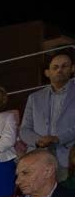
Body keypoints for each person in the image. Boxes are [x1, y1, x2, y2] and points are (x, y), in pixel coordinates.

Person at [20, 50, 75, 182]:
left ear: (72, 69)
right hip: (39, 156)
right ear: (47, 72)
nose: (59, 70)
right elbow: (24, 129)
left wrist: (58, 139)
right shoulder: (34, 98)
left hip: (69, 154)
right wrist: (39, 141)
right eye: (55, 67)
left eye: (64, 66)